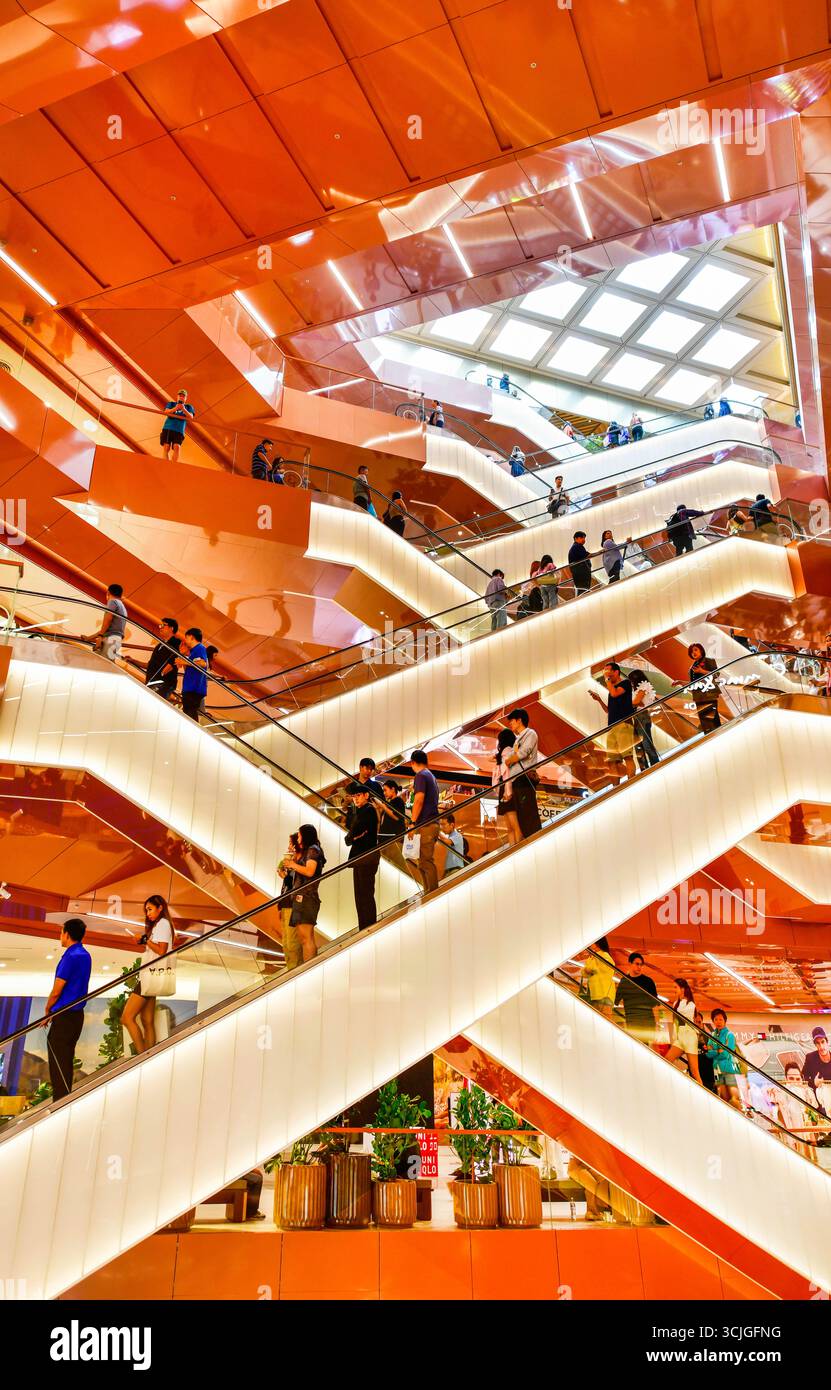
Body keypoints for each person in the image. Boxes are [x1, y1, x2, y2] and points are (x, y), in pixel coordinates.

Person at [44, 918, 92, 1100]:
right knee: (66, 1057)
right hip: (76, 1015)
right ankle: (64, 1098)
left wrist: (48, 1010)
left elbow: (57, 990)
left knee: (58, 1060)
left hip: (63, 1015)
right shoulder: (85, 955)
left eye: (61, 932)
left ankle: (61, 1101)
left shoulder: (70, 956)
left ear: (67, 934)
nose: (60, 936)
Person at [121, 895, 174, 1055]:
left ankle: (142, 1056)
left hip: (150, 976)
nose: (148, 913)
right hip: (154, 975)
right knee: (147, 1020)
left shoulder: (163, 924)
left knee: (126, 1017)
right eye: (146, 910)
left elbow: (161, 950)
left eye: (150, 909)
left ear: (160, 908)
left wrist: (145, 940)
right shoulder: (160, 925)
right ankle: (148, 1057)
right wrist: (145, 940)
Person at [283, 825, 325, 961]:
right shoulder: (310, 850)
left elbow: (310, 871)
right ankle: (309, 967)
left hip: (307, 897)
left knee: (306, 938)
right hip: (302, 897)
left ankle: (309, 968)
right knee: (305, 937)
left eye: (300, 835)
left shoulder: (313, 850)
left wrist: (293, 865)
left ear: (306, 836)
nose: (298, 838)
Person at [589, 662, 637, 780]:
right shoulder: (612, 690)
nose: (606, 674)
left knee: (627, 756)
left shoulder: (625, 683)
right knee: (612, 761)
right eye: (605, 672)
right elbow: (608, 711)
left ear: (616, 672)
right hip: (611, 727)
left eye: (607, 671)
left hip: (624, 724)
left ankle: (632, 782)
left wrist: (607, 680)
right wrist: (599, 700)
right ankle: (616, 787)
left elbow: (615, 694)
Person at [344, 783, 380, 930]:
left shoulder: (369, 810)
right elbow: (350, 834)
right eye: (353, 796)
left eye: (358, 796)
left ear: (366, 795)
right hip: (360, 857)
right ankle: (363, 926)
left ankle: (368, 926)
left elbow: (355, 831)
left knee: (365, 895)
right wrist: (352, 837)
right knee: (360, 896)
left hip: (367, 856)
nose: (355, 799)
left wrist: (352, 837)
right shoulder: (359, 811)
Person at [503, 708, 541, 838]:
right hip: (517, 779)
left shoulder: (530, 733)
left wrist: (509, 760)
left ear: (519, 720)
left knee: (528, 811)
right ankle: (528, 838)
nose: (510, 724)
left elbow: (523, 752)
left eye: (512, 721)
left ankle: (534, 837)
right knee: (522, 814)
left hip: (525, 778)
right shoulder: (517, 739)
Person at [407, 750, 441, 893]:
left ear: (413, 763)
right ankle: (428, 893)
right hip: (431, 823)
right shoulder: (431, 776)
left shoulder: (420, 775)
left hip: (426, 824)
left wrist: (412, 822)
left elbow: (419, 800)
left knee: (425, 861)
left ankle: (432, 894)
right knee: (422, 862)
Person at [377, 778, 418, 884]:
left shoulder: (398, 801)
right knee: (391, 865)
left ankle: (409, 884)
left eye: (385, 790)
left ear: (393, 789)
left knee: (398, 864)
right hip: (386, 839)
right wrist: (378, 808)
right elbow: (380, 820)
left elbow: (396, 817)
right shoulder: (389, 803)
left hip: (393, 838)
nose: (384, 793)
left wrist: (382, 805)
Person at [614, 951, 660, 1044]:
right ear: (630, 964)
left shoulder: (648, 981)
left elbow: (655, 1005)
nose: (639, 967)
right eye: (637, 964)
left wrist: (657, 1025)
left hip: (646, 1023)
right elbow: (616, 1002)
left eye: (641, 965)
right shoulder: (624, 981)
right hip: (631, 1023)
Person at [664, 978, 702, 1083]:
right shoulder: (676, 1003)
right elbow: (675, 1022)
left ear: (683, 989)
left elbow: (681, 1016)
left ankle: (705, 1095)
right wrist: (674, 1038)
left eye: (676, 987)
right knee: (666, 1060)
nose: (674, 990)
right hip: (680, 1038)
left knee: (694, 1071)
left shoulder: (691, 1004)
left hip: (690, 1037)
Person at [706, 1008, 744, 1110]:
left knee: (734, 1098)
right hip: (717, 1069)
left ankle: (740, 1118)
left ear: (725, 1021)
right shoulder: (712, 1035)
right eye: (716, 1019)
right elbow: (708, 1054)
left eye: (720, 1019)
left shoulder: (729, 1035)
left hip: (729, 1069)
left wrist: (716, 1051)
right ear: (713, 1021)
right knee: (723, 1098)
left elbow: (726, 1054)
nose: (718, 1022)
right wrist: (719, 1051)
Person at [493, 728, 521, 846]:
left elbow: (508, 773)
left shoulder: (508, 752)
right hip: (507, 788)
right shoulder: (508, 752)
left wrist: (507, 791)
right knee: (512, 826)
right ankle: (514, 850)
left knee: (512, 826)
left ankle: (516, 850)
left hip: (507, 789)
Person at [278, 831, 302, 971]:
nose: (289, 847)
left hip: (293, 904)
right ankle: (290, 969)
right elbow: (288, 883)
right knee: (286, 942)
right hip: (285, 902)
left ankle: (295, 971)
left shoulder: (299, 861)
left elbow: (297, 883)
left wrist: (290, 866)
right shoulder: (291, 862)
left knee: (292, 943)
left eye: (291, 843)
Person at [628, 667, 660, 769]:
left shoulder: (644, 685)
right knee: (638, 746)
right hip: (636, 717)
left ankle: (655, 766)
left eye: (631, 680)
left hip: (642, 716)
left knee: (646, 744)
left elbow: (637, 702)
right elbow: (637, 702)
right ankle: (644, 768)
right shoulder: (636, 690)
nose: (631, 683)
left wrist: (630, 703)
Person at [86, 582, 127, 662]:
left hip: (110, 639)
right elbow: (110, 627)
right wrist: (89, 638)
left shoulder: (112, 602)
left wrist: (100, 637)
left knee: (103, 665)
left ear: (108, 592)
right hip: (115, 639)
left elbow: (108, 619)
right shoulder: (122, 606)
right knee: (103, 663)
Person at [688, 642, 721, 734]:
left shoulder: (709, 660)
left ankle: (718, 736)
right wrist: (680, 682)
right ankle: (710, 737)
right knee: (705, 723)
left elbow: (716, 674)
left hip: (709, 694)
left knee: (712, 720)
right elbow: (693, 683)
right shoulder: (692, 667)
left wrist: (702, 671)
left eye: (695, 650)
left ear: (701, 650)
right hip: (698, 697)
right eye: (691, 651)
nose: (693, 653)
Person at [178, 627, 209, 721]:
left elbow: (203, 663)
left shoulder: (200, 648)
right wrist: (183, 657)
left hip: (194, 688)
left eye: (186, 637)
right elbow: (190, 667)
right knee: (188, 712)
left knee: (190, 713)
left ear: (191, 637)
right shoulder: (193, 651)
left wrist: (185, 661)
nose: (185, 640)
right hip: (191, 687)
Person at [146, 617, 180, 700]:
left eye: (163, 625)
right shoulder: (159, 645)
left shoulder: (176, 643)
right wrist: (134, 661)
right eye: (160, 625)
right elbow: (151, 664)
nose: (160, 627)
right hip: (152, 680)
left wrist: (162, 673)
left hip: (162, 683)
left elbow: (174, 662)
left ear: (171, 628)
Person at [581, 937, 615, 1018]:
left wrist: (589, 969)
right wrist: (588, 969)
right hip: (594, 995)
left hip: (604, 995)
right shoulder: (592, 957)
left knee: (605, 1021)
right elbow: (583, 973)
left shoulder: (604, 955)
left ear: (598, 943)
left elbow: (602, 968)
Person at [160, 388, 195, 461]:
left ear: (186, 398)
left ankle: (174, 465)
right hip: (168, 428)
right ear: (177, 396)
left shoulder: (189, 407)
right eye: (180, 395)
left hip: (179, 430)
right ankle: (166, 464)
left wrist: (183, 409)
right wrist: (176, 408)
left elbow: (191, 417)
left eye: (183, 396)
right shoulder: (171, 404)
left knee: (177, 447)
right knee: (166, 447)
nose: (181, 397)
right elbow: (166, 412)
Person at [802, 1026, 831, 1102]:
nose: (821, 1047)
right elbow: (803, 1078)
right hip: (819, 1101)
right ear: (815, 1045)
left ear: (827, 1042)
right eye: (817, 1043)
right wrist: (814, 1083)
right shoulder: (810, 1058)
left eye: (822, 1042)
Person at [695, 1011, 717, 1092]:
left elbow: (714, 1054)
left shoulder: (708, 1037)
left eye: (699, 1022)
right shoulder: (689, 1037)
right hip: (695, 1076)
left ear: (702, 1023)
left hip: (708, 1077)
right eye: (694, 1022)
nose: (697, 1024)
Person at [440, 812, 465, 877]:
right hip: (449, 870)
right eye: (441, 825)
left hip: (456, 869)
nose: (441, 827)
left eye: (443, 824)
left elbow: (447, 841)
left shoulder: (457, 835)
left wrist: (436, 831)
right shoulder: (450, 836)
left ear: (452, 825)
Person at [568, 530, 592, 596]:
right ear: (576, 538)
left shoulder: (576, 547)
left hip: (578, 574)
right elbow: (587, 555)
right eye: (581, 538)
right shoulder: (577, 546)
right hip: (581, 574)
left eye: (584, 538)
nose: (584, 540)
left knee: (582, 590)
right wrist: (599, 552)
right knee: (584, 591)